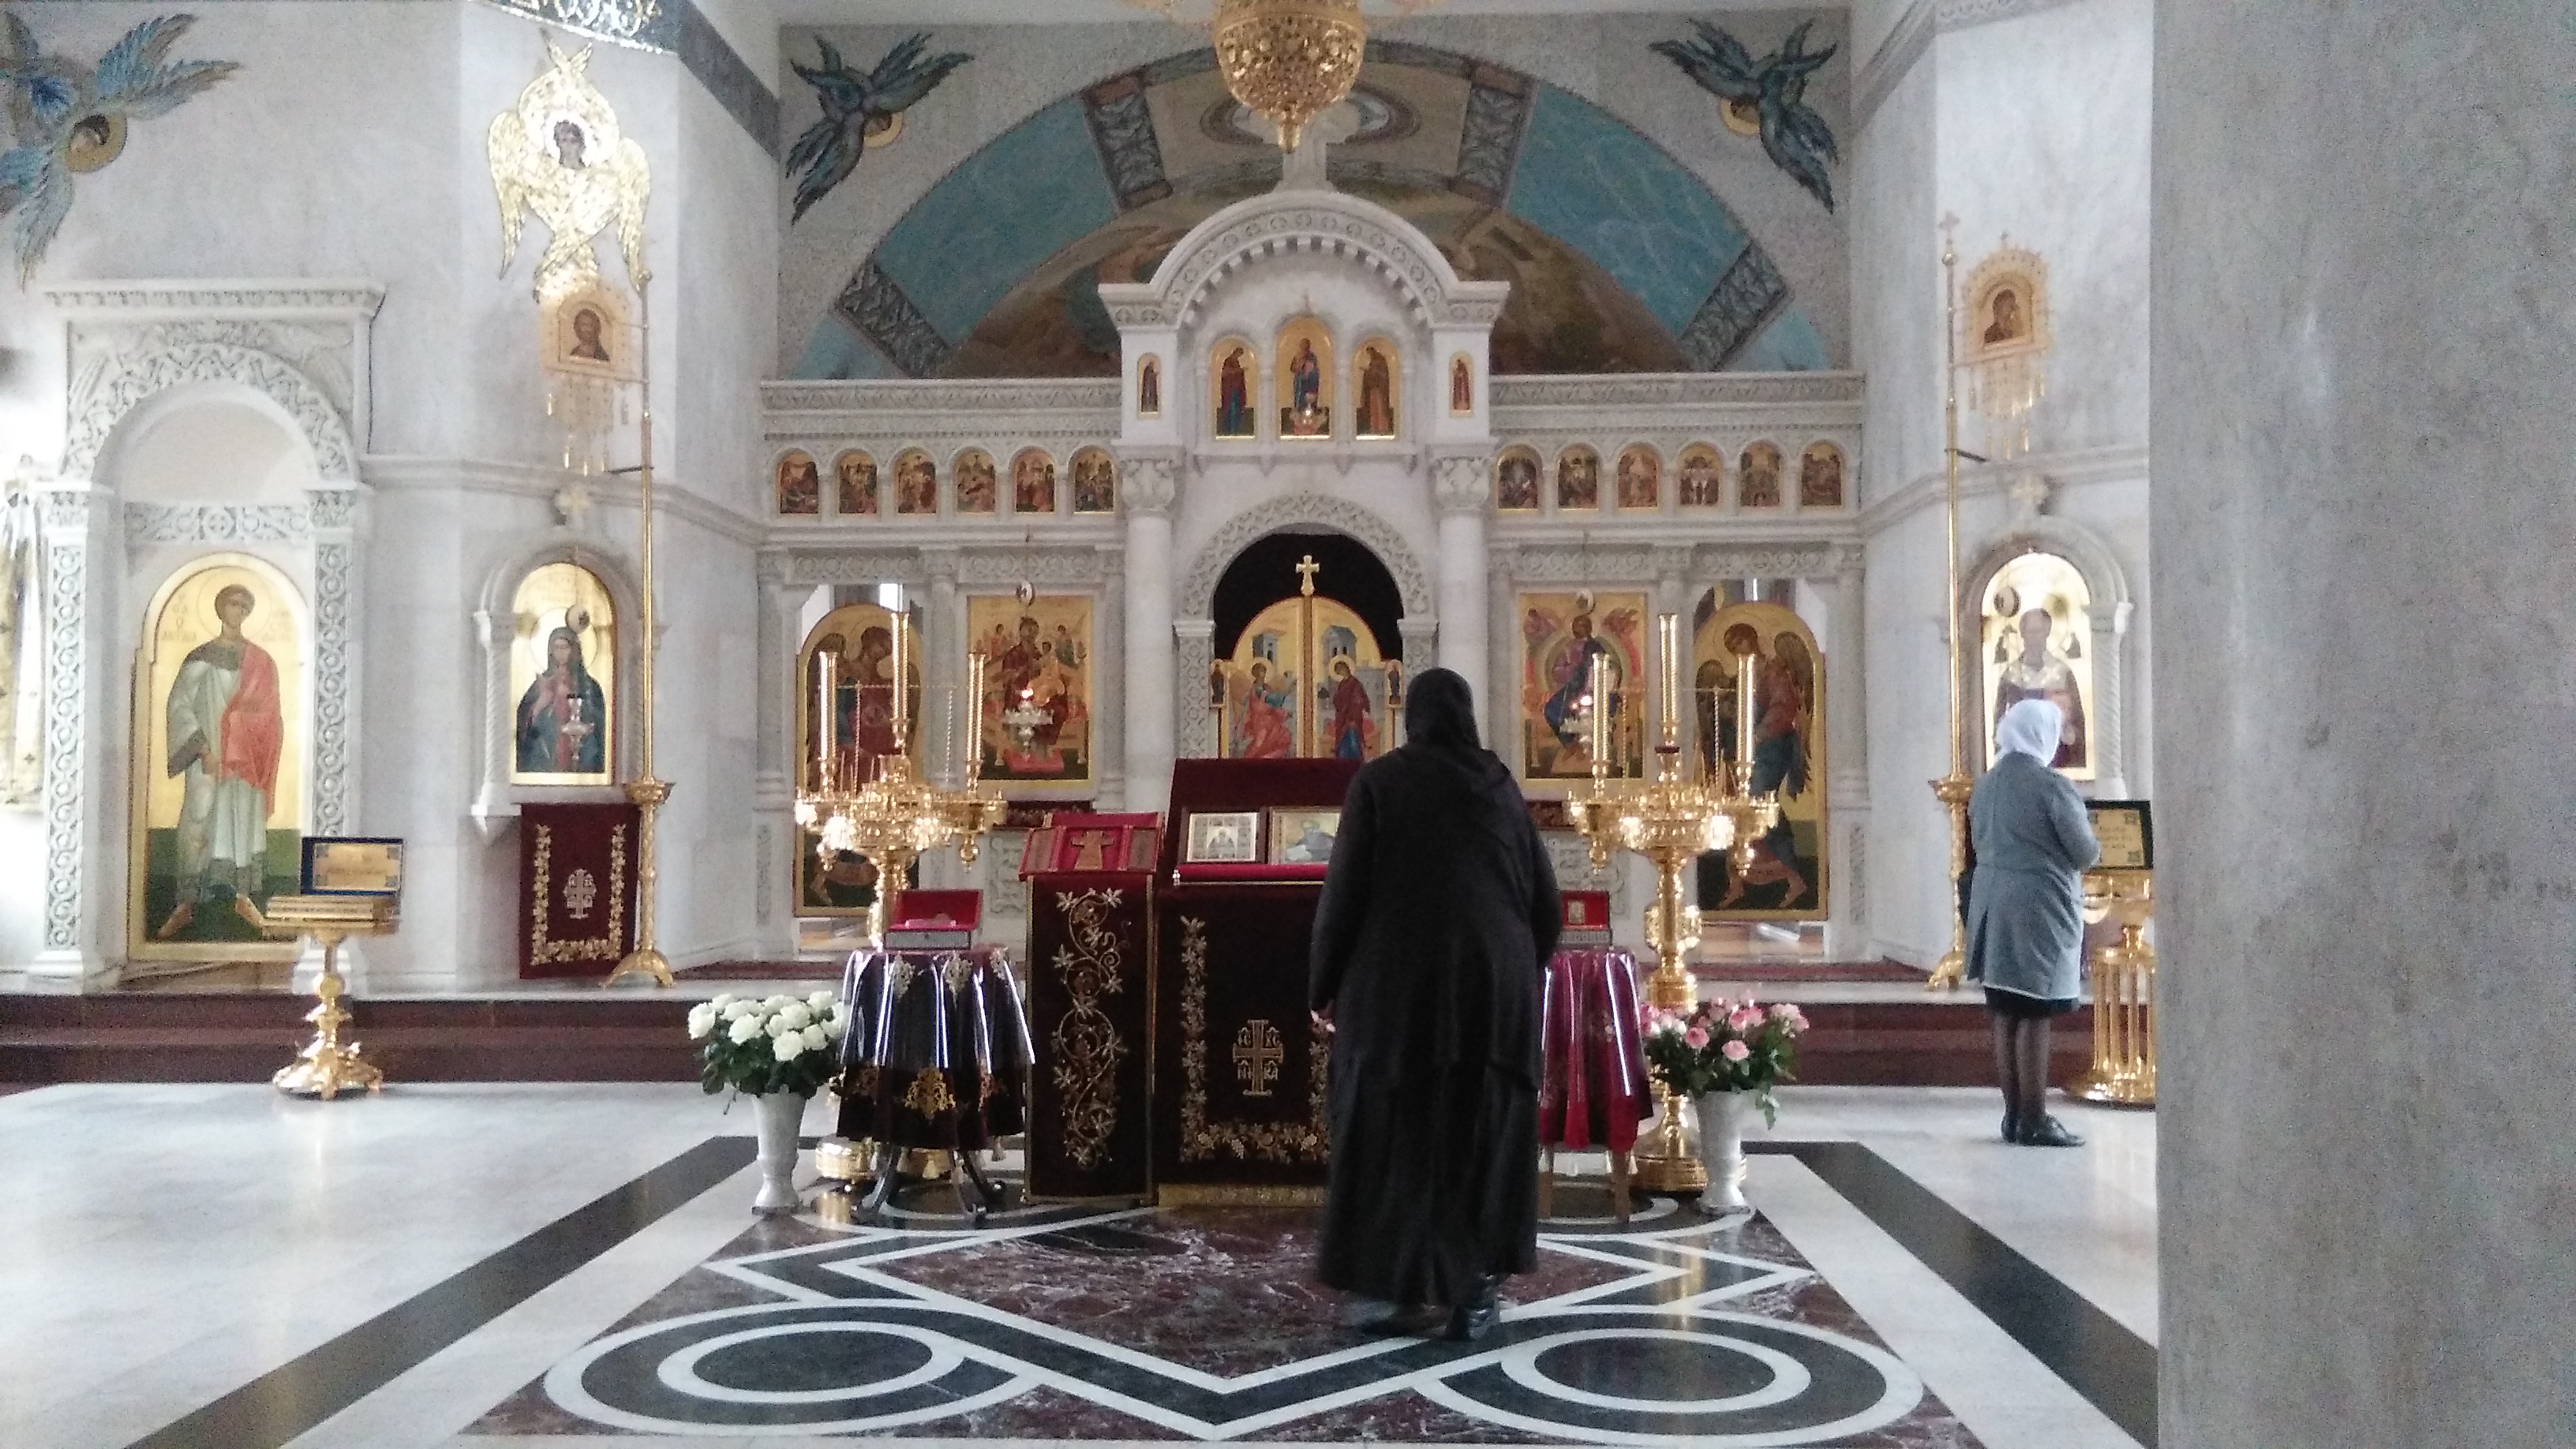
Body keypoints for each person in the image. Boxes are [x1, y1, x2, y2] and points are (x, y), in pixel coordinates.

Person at [1310, 668, 1560, 1342]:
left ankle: (1383, 1290)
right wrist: (1513, 972)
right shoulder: (1500, 784)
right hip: (1494, 993)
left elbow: (1344, 897)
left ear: (1411, 717)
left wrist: (1322, 986)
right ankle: (1474, 1292)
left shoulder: (1380, 782)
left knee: (1393, 1131)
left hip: (1399, 994)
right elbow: (1547, 902)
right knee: (1480, 1133)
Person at [1966, 698, 2101, 1147]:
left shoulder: (1985, 785)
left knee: (2006, 1008)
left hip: (1991, 905)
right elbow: (2084, 852)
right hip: (2038, 906)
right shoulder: (2050, 786)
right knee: (2036, 1010)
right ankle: (2036, 1118)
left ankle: (2013, 1117)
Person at [156, 584, 284, 939]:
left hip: (244, 761)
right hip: (208, 758)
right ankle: (185, 903)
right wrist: (204, 749)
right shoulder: (202, 656)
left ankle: (243, 898)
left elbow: (272, 713)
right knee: (198, 819)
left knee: (242, 821)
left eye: (246, 605)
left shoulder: (261, 660)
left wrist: (252, 739)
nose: (239, 610)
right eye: (233, 603)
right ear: (219, 607)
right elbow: (178, 705)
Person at [515, 625, 607, 774]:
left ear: (573, 650)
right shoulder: (542, 682)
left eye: (565, 648)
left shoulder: (588, 685)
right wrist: (541, 704)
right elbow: (524, 719)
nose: (561, 653)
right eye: (556, 648)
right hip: (549, 748)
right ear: (551, 651)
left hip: (580, 747)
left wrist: (580, 707)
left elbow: (600, 720)